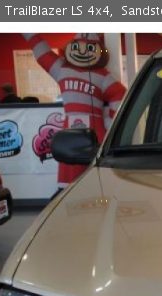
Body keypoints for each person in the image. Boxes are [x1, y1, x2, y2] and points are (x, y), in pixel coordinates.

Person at [23, 33, 126, 190]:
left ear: (100, 50)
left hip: (94, 133)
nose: (83, 52)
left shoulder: (101, 76)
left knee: (97, 178)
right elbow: (43, 54)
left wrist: (109, 122)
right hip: (74, 134)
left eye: (90, 48)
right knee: (70, 182)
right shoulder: (62, 69)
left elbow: (120, 94)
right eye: (77, 48)